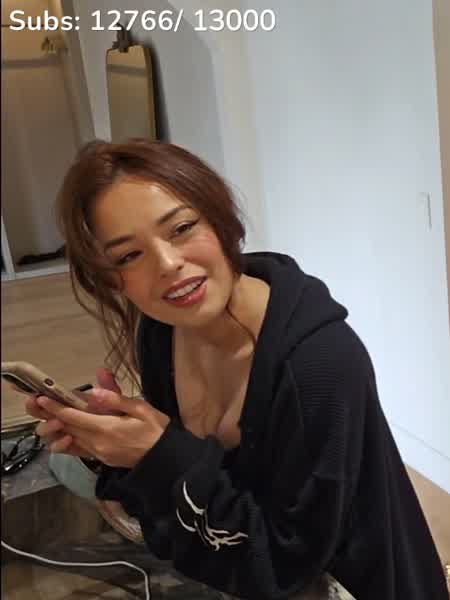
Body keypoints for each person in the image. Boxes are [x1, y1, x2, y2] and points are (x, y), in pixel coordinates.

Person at [24, 139, 447, 600]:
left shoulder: (318, 366)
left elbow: (285, 567)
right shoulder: (162, 332)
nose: (168, 264)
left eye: (181, 228)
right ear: (110, 279)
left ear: (220, 217)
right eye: (128, 255)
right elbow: (193, 523)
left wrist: (158, 457)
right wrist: (112, 448)